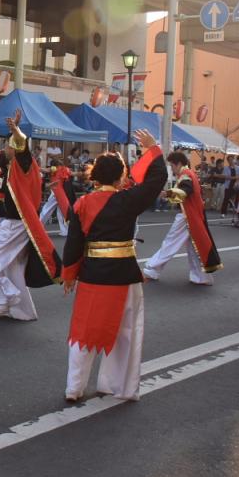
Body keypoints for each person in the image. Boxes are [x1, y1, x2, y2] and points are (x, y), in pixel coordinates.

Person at [61, 130, 166, 402]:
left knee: (83, 331)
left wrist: (69, 275)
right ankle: (118, 385)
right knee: (126, 333)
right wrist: (153, 150)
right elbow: (157, 180)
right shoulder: (127, 199)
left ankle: (74, 387)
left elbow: (73, 245)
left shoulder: (82, 203)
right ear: (121, 177)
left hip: (92, 274)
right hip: (124, 275)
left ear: (94, 175)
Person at [0, 110, 62, 320]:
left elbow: (22, 147)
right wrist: (11, 132)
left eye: (9, 145)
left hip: (16, 222)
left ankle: (6, 297)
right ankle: (23, 310)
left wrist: (16, 130)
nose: (6, 148)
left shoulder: (23, 163)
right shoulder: (12, 165)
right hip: (18, 221)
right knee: (14, 265)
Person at [142, 151, 223, 285]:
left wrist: (166, 193)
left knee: (171, 242)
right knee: (193, 247)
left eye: (172, 166)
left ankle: (152, 269)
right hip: (192, 215)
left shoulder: (186, 175)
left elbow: (185, 191)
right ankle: (202, 277)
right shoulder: (189, 174)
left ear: (178, 163)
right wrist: (168, 194)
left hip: (187, 216)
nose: (172, 170)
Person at [39, 162, 73, 236]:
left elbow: (45, 170)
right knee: (60, 212)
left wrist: (36, 168)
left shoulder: (55, 169)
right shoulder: (65, 169)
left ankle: (38, 226)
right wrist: (83, 173)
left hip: (56, 192)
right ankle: (65, 230)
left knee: (46, 209)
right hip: (61, 193)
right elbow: (74, 173)